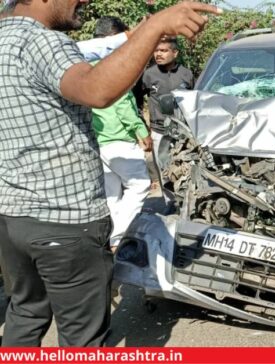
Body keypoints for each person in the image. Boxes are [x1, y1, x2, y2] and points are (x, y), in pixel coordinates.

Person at [0, 0, 220, 347]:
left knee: (25, 314)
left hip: (13, 219)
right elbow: (96, 90)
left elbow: (89, 51)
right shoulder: (44, 43)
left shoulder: (7, 39)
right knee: (82, 339)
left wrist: (143, 33)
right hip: (65, 222)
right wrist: (154, 27)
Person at [90, 16, 153, 253]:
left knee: (111, 194)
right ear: (112, 38)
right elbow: (122, 103)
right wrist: (141, 130)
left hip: (99, 140)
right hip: (119, 140)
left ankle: (109, 240)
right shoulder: (112, 65)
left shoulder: (86, 62)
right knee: (140, 185)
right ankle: (117, 235)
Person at [142, 37, 194, 186]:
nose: (158, 54)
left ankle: (185, 202)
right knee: (163, 169)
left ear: (175, 53)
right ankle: (168, 201)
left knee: (186, 167)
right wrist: (144, 128)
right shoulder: (148, 75)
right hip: (159, 131)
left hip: (183, 131)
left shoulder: (186, 74)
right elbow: (137, 101)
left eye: (163, 51)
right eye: (156, 51)